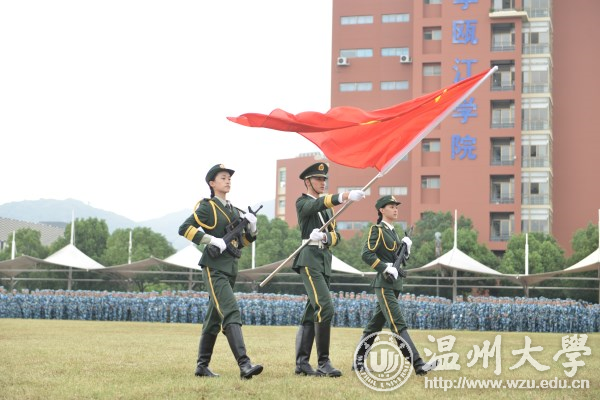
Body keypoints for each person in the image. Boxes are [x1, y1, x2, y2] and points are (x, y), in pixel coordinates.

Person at [178, 164, 263, 379]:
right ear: (212, 183)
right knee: (230, 311)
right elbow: (184, 228)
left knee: (213, 319)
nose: (228, 181)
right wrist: (211, 240)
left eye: (229, 178)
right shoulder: (208, 207)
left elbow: (240, 242)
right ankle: (244, 364)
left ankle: (202, 366)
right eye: (223, 177)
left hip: (230, 268)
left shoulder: (235, 211)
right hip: (214, 267)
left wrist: (252, 227)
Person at [292, 162, 365, 377]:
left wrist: (325, 236)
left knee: (311, 311)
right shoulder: (302, 202)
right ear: (307, 181)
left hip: (324, 260)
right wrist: (344, 196)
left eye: (324, 179)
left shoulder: (328, 209)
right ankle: (323, 362)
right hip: (309, 259)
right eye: (318, 179)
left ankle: (302, 364)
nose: (323, 182)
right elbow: (315, 205)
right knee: (325, 307)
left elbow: (336, 236)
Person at [352, 195, 437, 376]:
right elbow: (366, 254)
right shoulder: (377, 230)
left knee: (374, 326)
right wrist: (384, 267)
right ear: (381, 210)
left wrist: (406, 248)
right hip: (384, 283)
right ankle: (418, 364)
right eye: (391, 206)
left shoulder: (394, 232)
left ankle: (357, 363)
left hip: (395, 283)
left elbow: (400, 259)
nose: (395, 209)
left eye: (396, 206)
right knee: (398, 323)